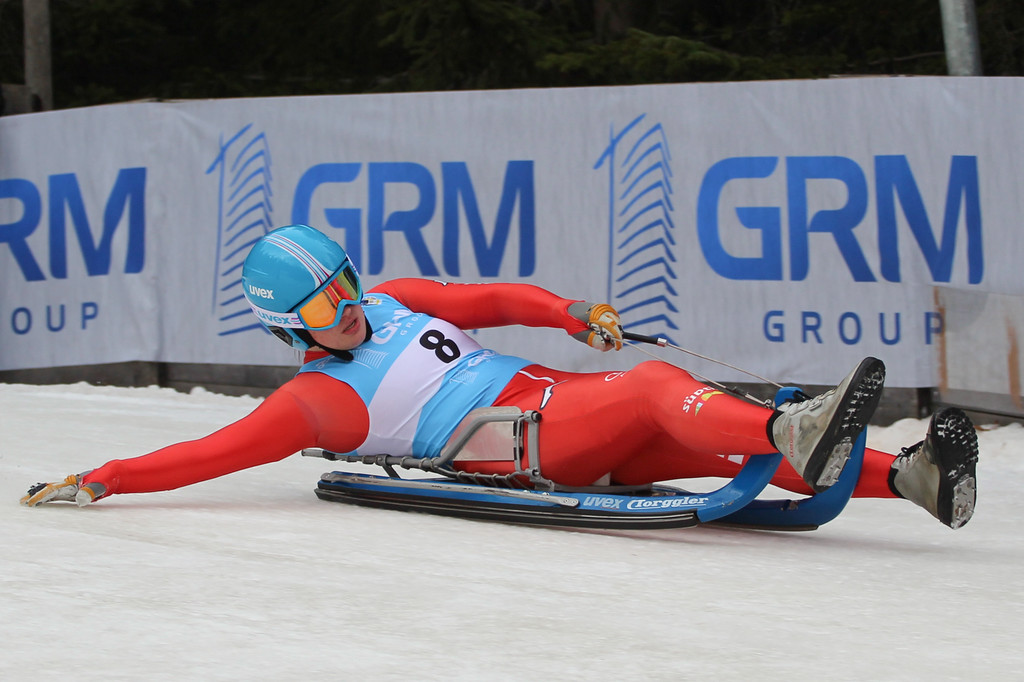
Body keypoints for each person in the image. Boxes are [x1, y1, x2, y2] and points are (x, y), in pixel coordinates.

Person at [21, 224, 980, 529]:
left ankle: (906, 477)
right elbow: (209, 452)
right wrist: (107, 476)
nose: (346, 304)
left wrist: (573, 313)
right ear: (288, 325)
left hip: (555, 404)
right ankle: (788, 430)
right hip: (518, 445)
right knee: (656, 390)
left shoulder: (394, 298)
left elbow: (491, 299)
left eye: (342, 281)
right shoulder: (316, 399)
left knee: (686, 425)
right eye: (320, 303)